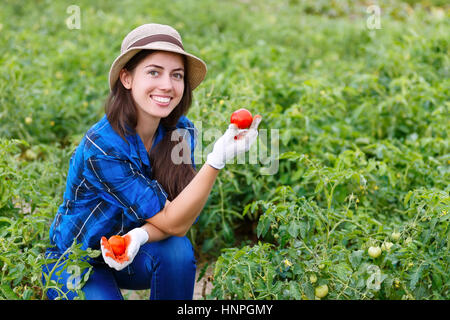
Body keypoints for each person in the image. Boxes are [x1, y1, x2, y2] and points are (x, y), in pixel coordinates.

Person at [41, 23, 262, 300]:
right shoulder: (103, 146)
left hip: (129, 253)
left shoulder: (180, 132)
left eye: (177, 75)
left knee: (176, 251)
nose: (167, 86)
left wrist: (138, 237)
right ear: (127, 78)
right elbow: (174, 221)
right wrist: (216, 160)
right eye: (154, 72)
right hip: (76, 259)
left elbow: (179, 215)